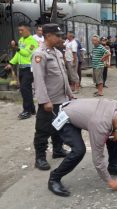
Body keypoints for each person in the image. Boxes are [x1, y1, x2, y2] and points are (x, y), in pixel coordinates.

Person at [48, 98, 117, 197]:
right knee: (79, 150)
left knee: (113, 134)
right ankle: (54, 179)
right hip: (65, 118)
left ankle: (113, 166)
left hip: (80, 111)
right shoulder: (100, 126)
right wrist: (110, 181)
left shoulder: (116, 105)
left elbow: (115, 129)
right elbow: (98, 159)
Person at [31, 24, 74, 170]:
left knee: (59, 126)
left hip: (61, 99)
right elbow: (39, 79)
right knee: (43, 130)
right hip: (49, 101)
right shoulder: (39, 54)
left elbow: (63, 75)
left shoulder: (57, 52)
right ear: (48, 35)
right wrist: (44, 101)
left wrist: (69, 93)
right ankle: (40, 158)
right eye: (58, 35)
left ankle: (57, 150)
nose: (60, 38)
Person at [5, 22, 39, 120]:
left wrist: (16, 47)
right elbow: (18, 55)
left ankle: (26, 111)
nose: (20, 32)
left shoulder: (32, 41)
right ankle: (32, 109)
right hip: (21, 68)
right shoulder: (21, 40)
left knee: (24, 89)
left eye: (22, 30)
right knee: (25, 89)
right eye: (19, 30)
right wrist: (11, 63)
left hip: (29, 68)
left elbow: (26, 53)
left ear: (28, 30)